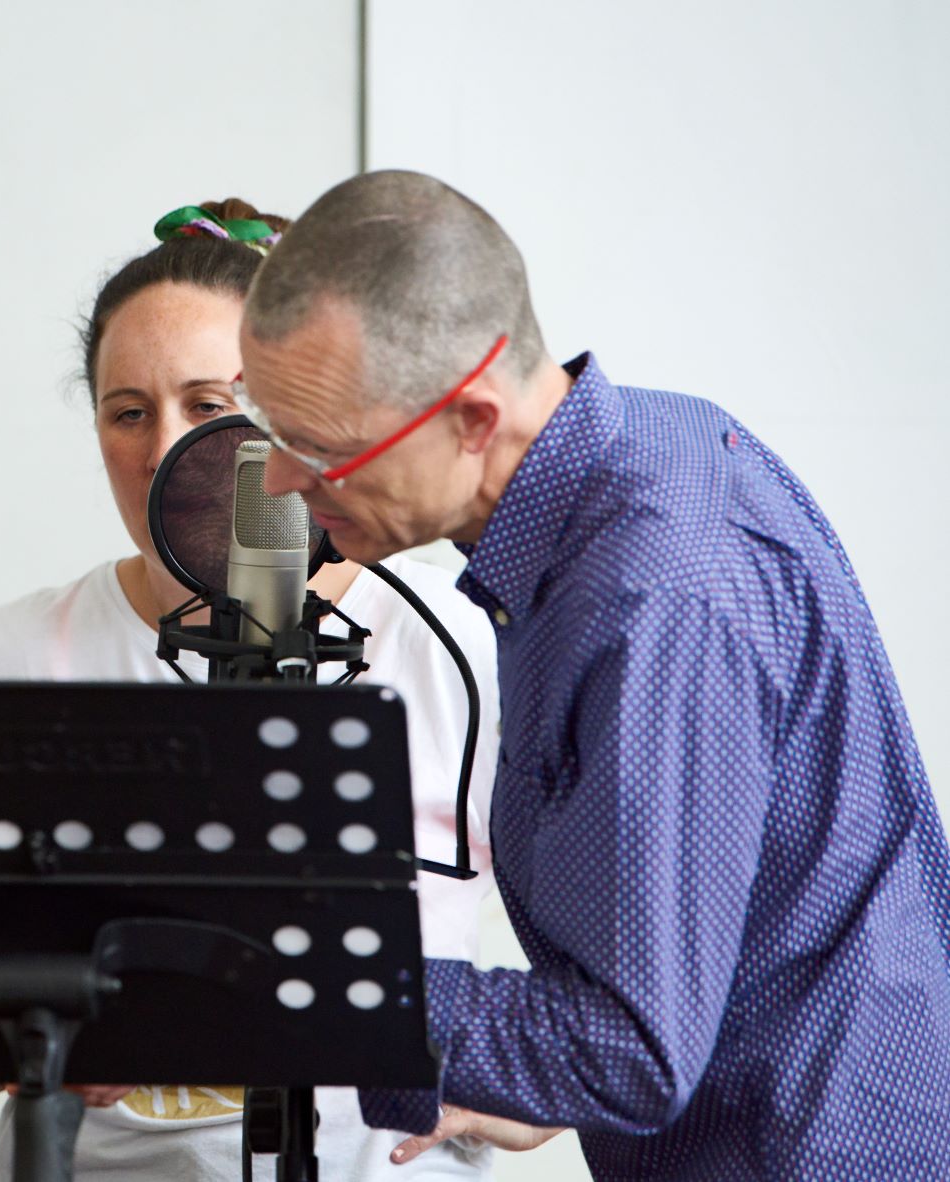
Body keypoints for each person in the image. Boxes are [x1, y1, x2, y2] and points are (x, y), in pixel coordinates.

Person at [237, 170, 950, 1179]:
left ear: (473, 416)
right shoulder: (648, 447)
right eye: (272, 434)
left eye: (319, 451)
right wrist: (528, 1082)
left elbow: (629, 1049)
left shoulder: (654, 597)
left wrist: (291, 985)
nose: (278, 482)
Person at [0, 201, 506, 1179]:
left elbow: (602, 987)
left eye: (210, 407)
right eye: (128, 414)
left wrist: (518, 1101)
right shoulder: (26, 650)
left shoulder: (451, 647)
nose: (165, 451)